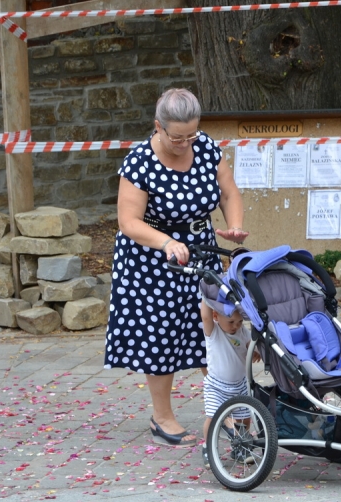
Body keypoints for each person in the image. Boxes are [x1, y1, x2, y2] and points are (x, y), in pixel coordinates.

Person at [104, 88, 248, 448]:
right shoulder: (139, 161)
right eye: (177, 137)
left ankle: (223, 409)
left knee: (213, 330)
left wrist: (234, 225)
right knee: (161, 333)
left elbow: (228, 192)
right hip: (152, 257)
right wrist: (167, 242)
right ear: (158, 126)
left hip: (201, 251)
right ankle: (162, 416)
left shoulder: (207, 148)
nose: (185, 144)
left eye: (191, 135)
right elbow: (128, 221)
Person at [199, 297, 259, 467]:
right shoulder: (214, 332)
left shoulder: (242, 332)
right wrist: (205, 294)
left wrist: (255, 351)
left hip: (239, 384)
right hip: (216, 386)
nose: (235, 326)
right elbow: (205, 316)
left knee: (245, 418)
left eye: (239, 322)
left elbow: (250, 344)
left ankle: (240, 448)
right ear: (216, 316)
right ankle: (208, 447)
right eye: (231, 322)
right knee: (213, 418)